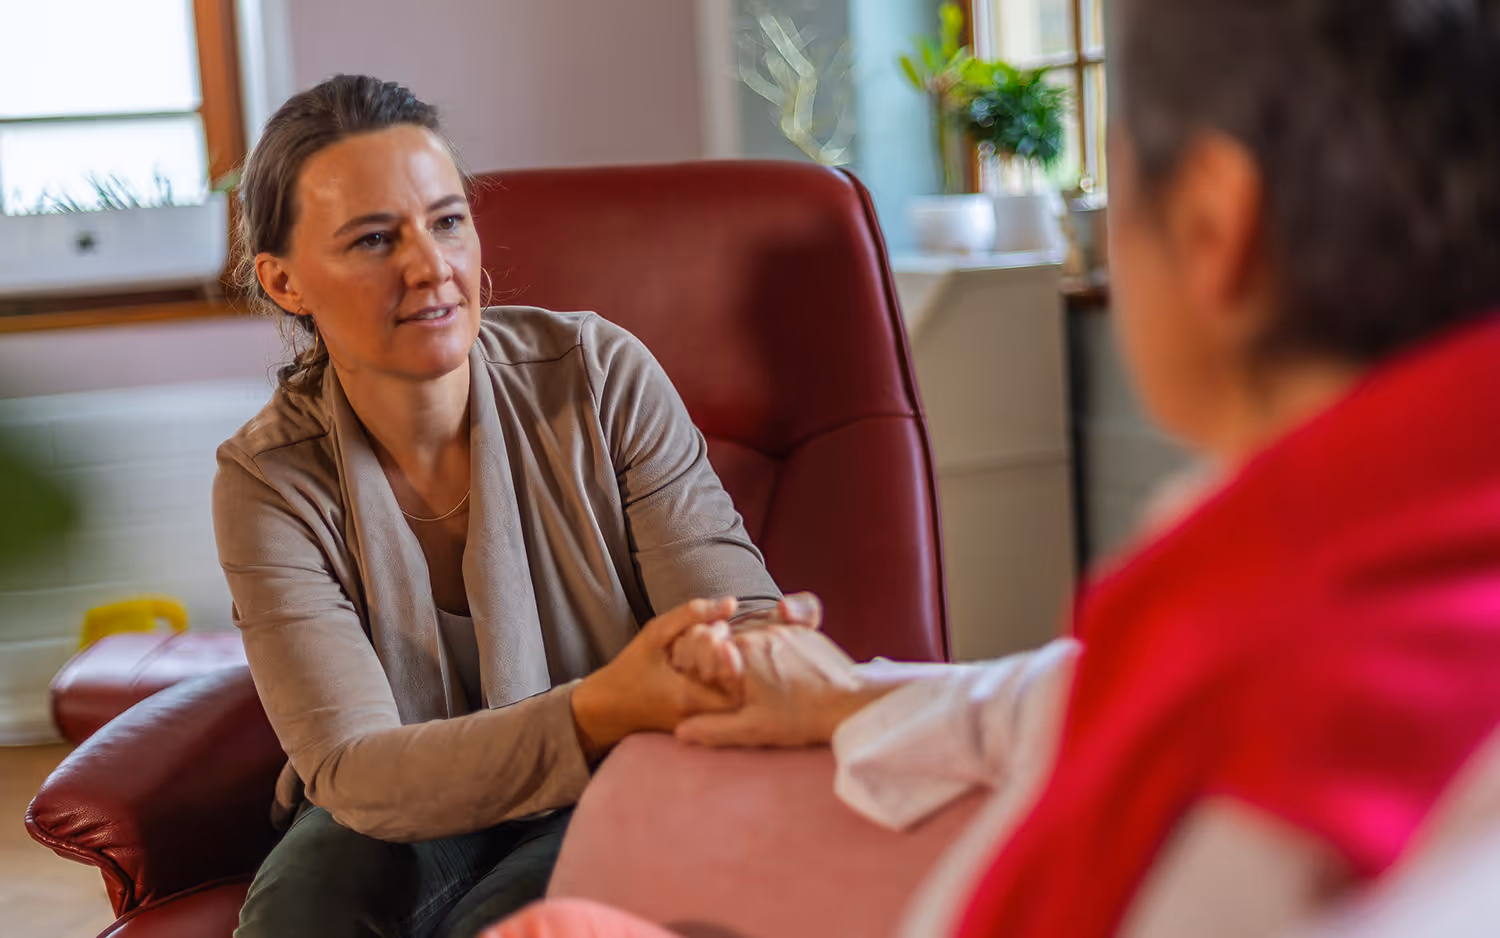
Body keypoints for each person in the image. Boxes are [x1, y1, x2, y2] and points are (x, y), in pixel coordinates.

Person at [480, 0, 1500, 935]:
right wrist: (851, 697)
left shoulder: (1282, 711)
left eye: (1116, 170)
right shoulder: (1359, 552)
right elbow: (1064, 691)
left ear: (1210, 226)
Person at [212, 74, 806, 938]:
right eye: (375, 239)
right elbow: (353, 770)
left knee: (503, 923)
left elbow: (741, 620)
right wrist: (603, 702)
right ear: (285, 282)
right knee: (299, 910)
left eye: (448, 220)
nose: (432, 267)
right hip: (404, 805)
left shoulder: (601, 375)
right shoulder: (268, 481)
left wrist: (726, 662)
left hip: (626, 765)